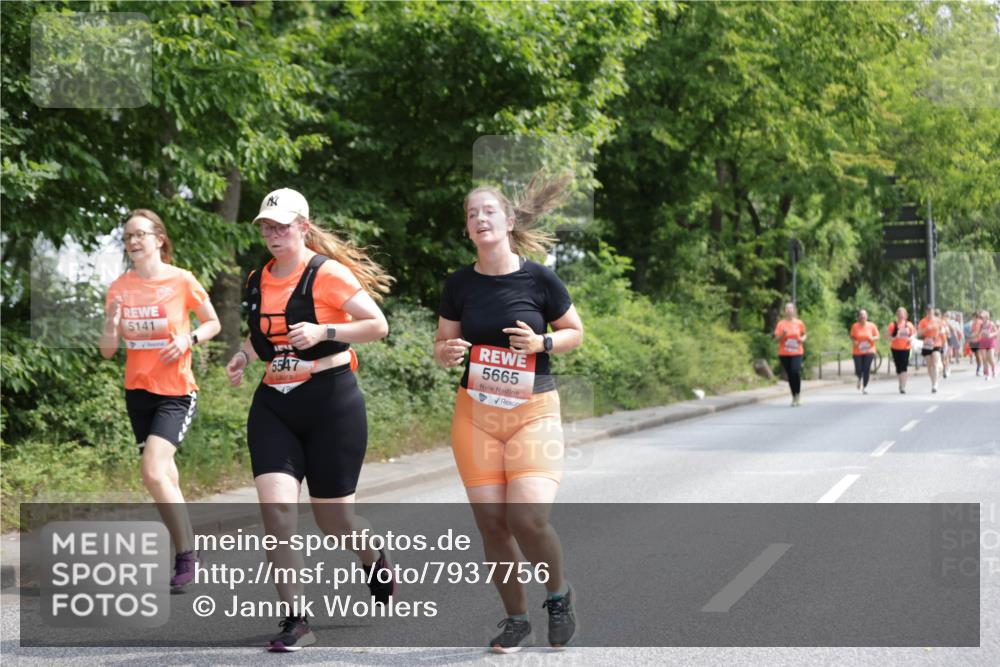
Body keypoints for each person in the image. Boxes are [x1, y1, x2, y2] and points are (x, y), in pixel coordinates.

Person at [225, 188, 393, 652]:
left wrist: (324, 331)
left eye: (282, 225)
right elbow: (264, 335)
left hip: (331, 403)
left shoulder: (327, 273)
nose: (273, 233)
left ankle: (372, 556)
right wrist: (243, 356)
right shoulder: (258, 278)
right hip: (274, 405)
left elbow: (377, 325)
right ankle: (297, 620)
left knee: (335, 520)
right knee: (277, 512)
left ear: (302, 226)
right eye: (267, 226)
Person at [434, 173, 584, 652]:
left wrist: (542, 342)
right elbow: (442, 344)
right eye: (471, 214)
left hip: (532, 411)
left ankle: (558, 595)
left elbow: (575, 332)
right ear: (467, 229)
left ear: (509, 221)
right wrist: (446, 352)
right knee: (493, 524)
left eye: (488, 211)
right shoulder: (459, 284)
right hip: (475, 414)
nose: (480, 219)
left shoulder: (539, 278)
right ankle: (517, 620)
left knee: (527, 517)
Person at [100, 209, 221, 591]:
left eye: (140, 234)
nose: (133, 241)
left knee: (152, 472)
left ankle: (186, 554)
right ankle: (190, 549)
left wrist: (188, 339)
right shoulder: (120, 287)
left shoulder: (181, 280)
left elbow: (213, 322)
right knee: (166, 475)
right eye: (128, 236)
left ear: (158, 239)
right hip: (138, 392)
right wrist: (112, 323)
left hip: (176, 392)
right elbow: (107, 351)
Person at [774, 302, 807, 406]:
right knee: (790, 375)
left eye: (791, 308)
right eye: (787, 308)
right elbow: (776, 339)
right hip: (784, 353)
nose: (789, 310)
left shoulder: (799, 323)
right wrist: (783, 334)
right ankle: (794, 396)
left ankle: (798, 394)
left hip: (797, 352)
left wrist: (802, 339)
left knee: (795, 371)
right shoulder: (781, 324)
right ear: (784, 311)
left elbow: (804, 334)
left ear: (794, 310)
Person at [850, 309, 879, 394]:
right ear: (859, 317)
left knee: (866, 368)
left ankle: (864, 387)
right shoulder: (855, 326)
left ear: (867, 316)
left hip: (869, 350)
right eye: (861, 315)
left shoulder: (872, 326)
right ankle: (859, 378)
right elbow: (852, 336)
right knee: (858, 369)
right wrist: (854, 341)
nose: (863, 317)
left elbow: (877, 336)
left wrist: (872, 338)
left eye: (864, 315)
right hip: (857, 351)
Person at [886, 307, 914, 394]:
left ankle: (903, 386)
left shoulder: (909, 325)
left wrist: (911, 338)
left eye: (902, 314)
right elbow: (887, 336)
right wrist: (895, 337)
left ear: (905, 315)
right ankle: (900, 382)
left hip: (906, 348)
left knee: (904, 367)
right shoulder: (893, 325)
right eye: (899, 314)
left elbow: (913, 334)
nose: (901, 315)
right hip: (895, 348)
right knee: (898, 368)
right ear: (897, 315)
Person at [917, 306, 943, 393]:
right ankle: (933, 381)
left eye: (931, 311)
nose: (929, 313)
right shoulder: (923, 321)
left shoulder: (938, 320)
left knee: (935, 363)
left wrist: (940, 333)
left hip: (936, 343)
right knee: (929, 365)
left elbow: (942, 330)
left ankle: (935, 384)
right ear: (926, 312)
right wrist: (926, 329)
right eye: (928, 311)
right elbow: (919, 333)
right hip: (927, 344)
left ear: (933, 311)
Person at [977, 310, 997, 380]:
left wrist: (991, 334)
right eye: (981, 317)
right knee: (984, 358)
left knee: (990, 357)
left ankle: (993, 370)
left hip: (990, 343)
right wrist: (980, 334)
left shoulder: (991, 324)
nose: (981, 318)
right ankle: (987, 374)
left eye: (983, 317)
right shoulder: (981, 325)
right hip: (983, 343)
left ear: (987, 317)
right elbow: (978, 334)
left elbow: (996, 332)